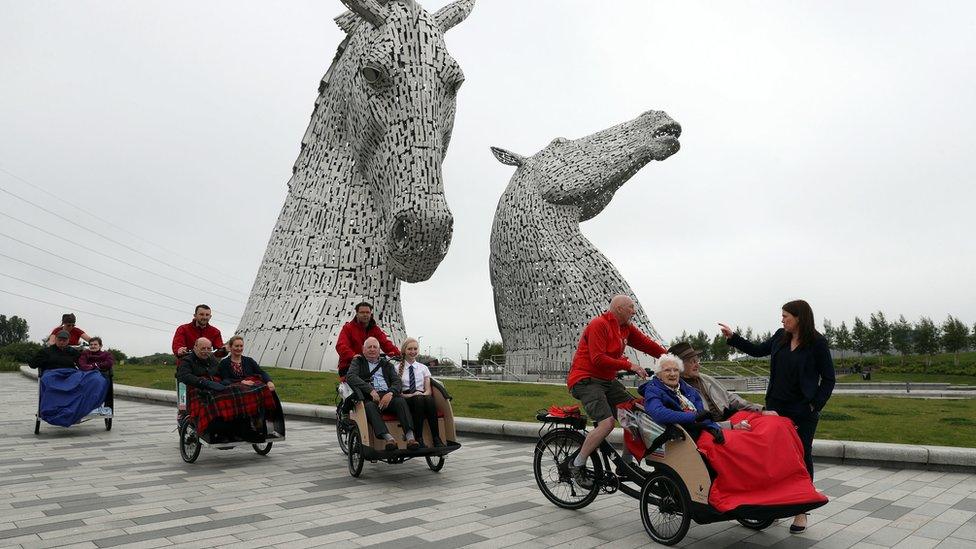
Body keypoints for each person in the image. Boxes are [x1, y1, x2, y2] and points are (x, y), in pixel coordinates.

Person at [719, 299, 836, 533]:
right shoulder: (779, 337)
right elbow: (756, 350)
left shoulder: (817, 343)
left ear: (799, 317)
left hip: (803, 411)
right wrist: (734, 338)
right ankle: (773, 504)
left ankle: (801, 511)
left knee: (801, 456)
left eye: (786, 316)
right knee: (772, 456)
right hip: (775, 407)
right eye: (782, 316)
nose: (782, 320)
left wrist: (815, 405)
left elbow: (829, 379)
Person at [565, 295, 667, 488]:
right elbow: (597, 359)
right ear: (619, 309)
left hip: (606, 380)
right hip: (585, 379)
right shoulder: (599, 324)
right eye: (631, 308)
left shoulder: (625, 328)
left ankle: (625, 464)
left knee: (635, 414)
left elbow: (646, 344)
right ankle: (576, 464)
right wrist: (630, 366)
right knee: (607, 423)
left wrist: (669, 357)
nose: (634, 311)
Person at [671, 341, 776, 430]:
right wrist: (731, 426)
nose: (697, 365)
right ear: (679, 365)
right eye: (692, 362)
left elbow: (730, 398)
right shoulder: (679, 390)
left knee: (774, 423)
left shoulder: (706, 378)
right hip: (713, 430)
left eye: (697, 360)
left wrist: (760, 410)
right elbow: (696, 423)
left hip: (730, 418)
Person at [345, 337, 419, 451]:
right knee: (369, 407)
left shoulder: (386, 364)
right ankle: (389, 439)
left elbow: (397, 381)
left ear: (379, 350)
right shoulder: (358, 362)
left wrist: (390, 393)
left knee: (400, 401)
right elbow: (350, 377)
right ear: (363, 350)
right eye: (369, 347)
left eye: (375, 347)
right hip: (370, 397)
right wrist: (370, 390)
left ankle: (410, 438)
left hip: (387, 395)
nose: (372, 349)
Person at [638, 354, 724, 443]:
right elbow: (658, 413)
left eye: (676, 370)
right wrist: (694, 417)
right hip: (680, 438)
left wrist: (713, 428)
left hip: (696, 431)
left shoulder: (690, 390)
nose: (673, 374)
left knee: (731, 440)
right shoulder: (653, 390)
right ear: (658, 374)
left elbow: (703, 415)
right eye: (667, 370)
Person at [398, 337, 443, 448]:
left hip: (421, 396)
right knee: (419, 399)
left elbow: (428, 390)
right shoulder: (396, 368)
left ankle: (436, 438)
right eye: (409, 349)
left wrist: (422, 394)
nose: (413, 352)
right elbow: (398, 393)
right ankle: (418, 438)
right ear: (404, 350)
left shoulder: (423, 368)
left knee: (428, 399)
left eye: (415, 349)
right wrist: (412, 395)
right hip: (406, 397)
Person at [335, 301, 400, 377]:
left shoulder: (375, 329)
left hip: (369, 365)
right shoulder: (348, 328)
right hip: (350, 365)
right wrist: (353, 356)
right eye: (362, 312)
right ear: (357, 314)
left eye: (367, 312)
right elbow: (341, 345)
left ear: (370, 314)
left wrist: (399, 354)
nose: (365, 315)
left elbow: (385, 343)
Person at [79, 336, 115, 411]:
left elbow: (109, 363)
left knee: (99, 381)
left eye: (95, 344)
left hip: (102, 374)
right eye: (91, 345)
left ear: (100, 346)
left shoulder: (106, 354)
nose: (93, 346)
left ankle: (97, 403)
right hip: (87, 374)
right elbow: (82, 365)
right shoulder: (85, 353)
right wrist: (95, 366)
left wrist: (94, 365)